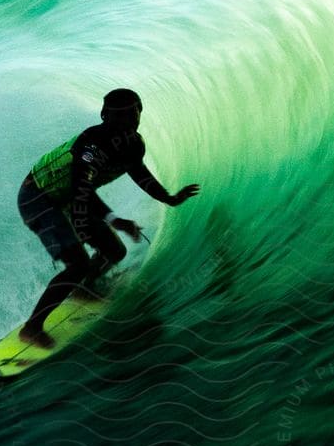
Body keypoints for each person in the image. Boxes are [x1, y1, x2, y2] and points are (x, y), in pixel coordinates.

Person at [15, 87, 200, 348]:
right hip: (38, 197)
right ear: (104, 115)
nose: (126, 122)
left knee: (114, 251)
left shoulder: (133, 144)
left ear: (139, 116)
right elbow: (83, 190)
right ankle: (32, 328)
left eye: (132, 115)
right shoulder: (89, 147)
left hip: (69, 198)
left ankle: (85, 287)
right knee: (76, 263)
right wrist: (115, 219)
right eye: (119, 116)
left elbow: (139, 174)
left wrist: (169, 198)